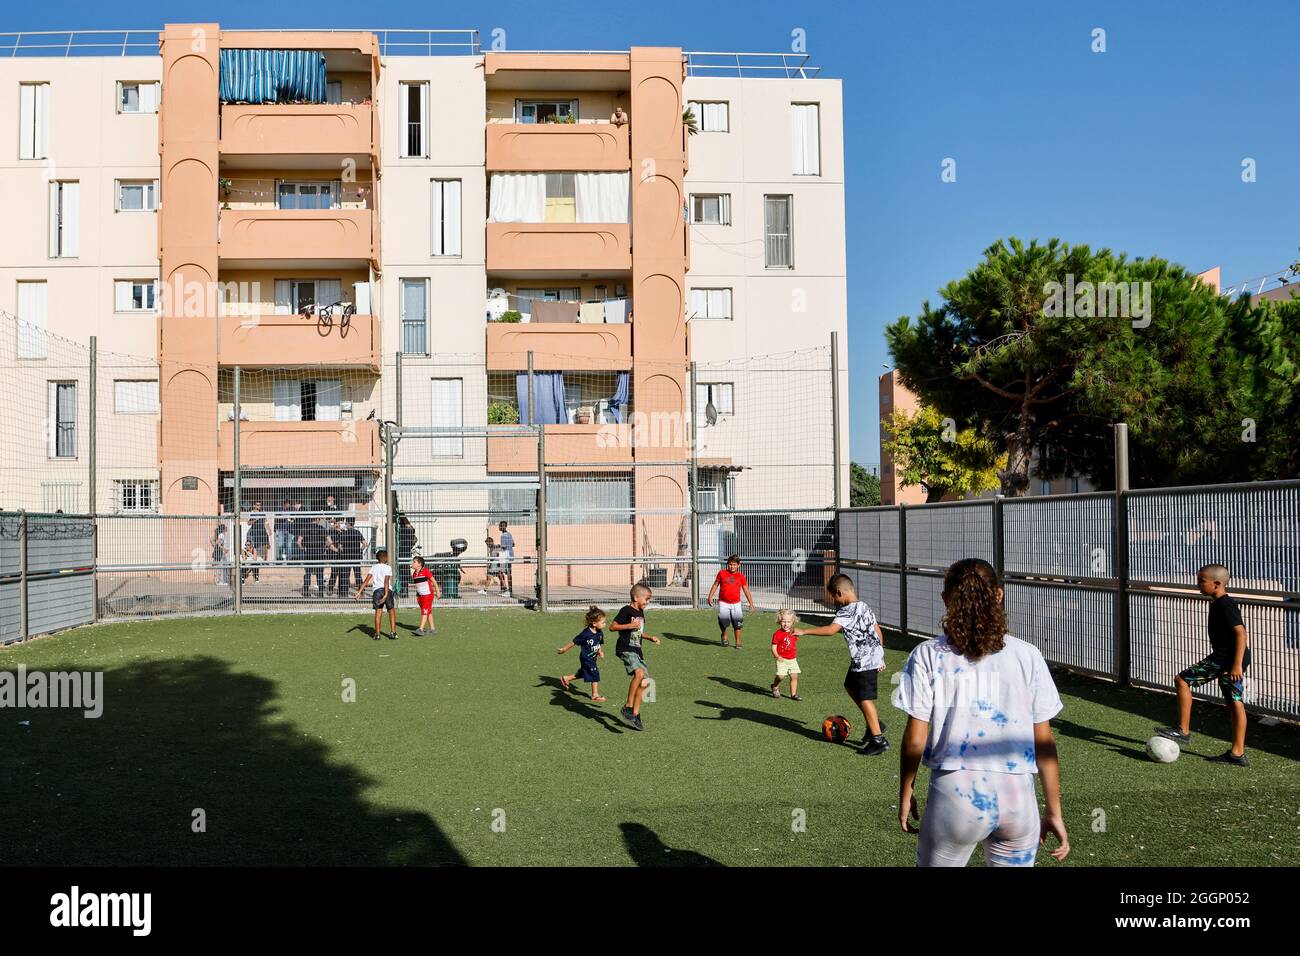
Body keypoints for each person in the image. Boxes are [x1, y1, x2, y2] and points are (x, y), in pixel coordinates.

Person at [893, 558, 1069, 867]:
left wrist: (906, 789)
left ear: (945, 598)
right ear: (999, 596)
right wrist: (1053, 810)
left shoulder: (927, 655)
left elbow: (915, 739)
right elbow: (1045, 741)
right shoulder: (1028, 655)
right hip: (1018, 800)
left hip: (955, 795)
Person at [1156, 563, 1252, 766]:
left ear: (1217, 584)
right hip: (1228, 658)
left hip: (1226, 659)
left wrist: (1235, 665)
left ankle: (1183, 731)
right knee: (1235, 702)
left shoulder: (1225, 604)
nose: (1198, 585)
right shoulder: (1217, 603)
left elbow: (1241, 632)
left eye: (1201, 581)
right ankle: (1237, 754)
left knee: (1182, 680)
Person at [795, 573, 890, 755]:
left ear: (839, 593)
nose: (834, 600)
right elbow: (877, 629)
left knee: (865, 697)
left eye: (833, 597)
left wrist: (805, 631)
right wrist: (880, 654)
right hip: (868, 658)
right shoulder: (864, 606)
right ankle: (875, 724)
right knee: (850, 685)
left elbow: (831, 630)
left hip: (865, 661)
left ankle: (878, 739)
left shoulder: (846, 611)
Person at [610, 583, 661, 731]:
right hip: (626, 648)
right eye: (647, 599)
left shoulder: (641, 614)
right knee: (638, 674)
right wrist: (629, 626)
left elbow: (638, 632)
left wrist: (649, 637)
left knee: (645, 682)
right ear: (636, 597)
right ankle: (627, 706)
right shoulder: (626, 610)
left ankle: (635, 714)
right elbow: (613, 627)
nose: (648, 602)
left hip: (637, 650)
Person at [558, 606, 607, 702]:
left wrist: (600, 651)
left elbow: (599, 643)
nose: (605, 624)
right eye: (603, 622)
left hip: (592, 658)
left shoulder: (599, 633)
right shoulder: (585, 634)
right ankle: (595, 695)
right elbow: (574, 642)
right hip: (586, 658)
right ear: (594, 623)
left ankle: (566, 678)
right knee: (594, 673)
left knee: (584, 673)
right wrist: (564, 649)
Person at [707, 553, 754, 649]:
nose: (732, 566)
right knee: (723, 621)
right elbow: (715, 584)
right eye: (730, 564)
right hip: (723, 602)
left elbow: (746, 590)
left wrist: (751, 604)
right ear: (727, 564)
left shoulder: (741, 576)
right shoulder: (721, 573)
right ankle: (724, 635)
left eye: (734, 564)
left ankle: (738, 642)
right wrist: (710, 596)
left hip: (736, 603)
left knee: (738, 623)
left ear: (738, 565)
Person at [355, 547, 396, 641]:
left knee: (378, 612)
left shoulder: (374, 567)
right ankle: (393, 633)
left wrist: (359, 592)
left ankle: (377, 635)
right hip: (387, 591)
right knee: (391, 611)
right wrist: (386, 594)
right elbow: (386, 582)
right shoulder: (388, 567)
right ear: (385, 558)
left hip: (377, 591)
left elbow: (366, 581)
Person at [770, 609, 802, 700]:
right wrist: (777, 656)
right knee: (780, 676)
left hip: (792, 659)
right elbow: (773, 647)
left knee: (794, 676)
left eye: (789, 622)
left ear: (793, 622)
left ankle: (793, 694)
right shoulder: (777, 634)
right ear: (779, 620)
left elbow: (793, 641)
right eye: (784, 621)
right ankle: (775, 687)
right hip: (782, 659)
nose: (786, 624)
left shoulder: (793, 632)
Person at [409, 555, 440, 636]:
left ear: (420, 564)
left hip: (428, 595)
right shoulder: (414, 574)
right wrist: (417, 595)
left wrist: (437, 591)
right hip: (420, 596)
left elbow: (434, 581)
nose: (412, 563)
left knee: (424, 612)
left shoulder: (426, 571)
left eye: (414, 562)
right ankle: (433, 629)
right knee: (428, 611)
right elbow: (418, 586)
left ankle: (421, 629)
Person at [299, 517, 327, 597]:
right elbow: (329, 541)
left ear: (310, 520)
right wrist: (325, 547)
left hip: (309, 554)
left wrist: (303, 548)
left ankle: (306, 592)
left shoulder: (306, 529)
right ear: (317, 520)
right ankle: (320, 593)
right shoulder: (322, 528)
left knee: (308, 573)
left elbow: (298, 541)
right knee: (320, 573)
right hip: (320, 554)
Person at [497, 521, 515, 595]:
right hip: (510, 555)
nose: (499, 527)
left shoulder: (503, 536)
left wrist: (498, 547)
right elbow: (513, 544)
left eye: (500, 526)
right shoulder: (509, 534)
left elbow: (503, 547)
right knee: (508, 572)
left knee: (500, 572)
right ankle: (509, 589)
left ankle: (504, 588)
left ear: (502, 526)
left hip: (505, 555)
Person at [211, 522, 229, 586]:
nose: (227, 528)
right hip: (220, 553)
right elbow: (218, 543)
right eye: (225, 527)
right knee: (220, 567)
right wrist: (224, 549)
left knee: (221, 566)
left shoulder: (222, 535)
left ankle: (220, 581)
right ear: (223, 529)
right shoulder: (221, 535)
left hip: (221, 553)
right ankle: (220, 581)